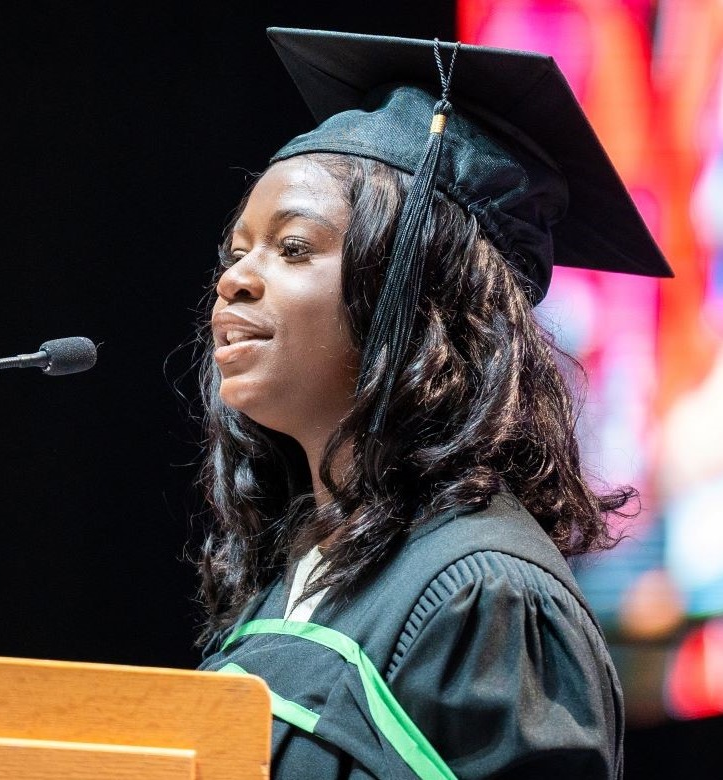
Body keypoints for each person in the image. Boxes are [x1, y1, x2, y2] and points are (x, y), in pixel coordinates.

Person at [195, 28, 673, 779]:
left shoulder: (488, 598)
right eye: (237, 251)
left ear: (418, 300)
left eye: (292, 248)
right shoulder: (297, 579)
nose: (235, 279)